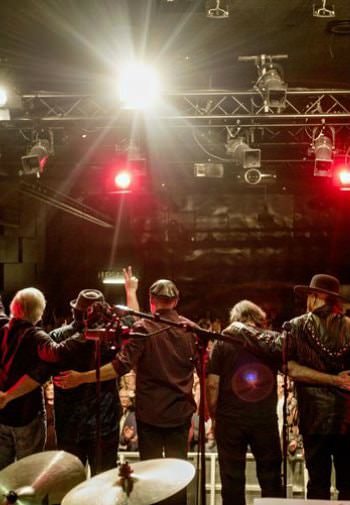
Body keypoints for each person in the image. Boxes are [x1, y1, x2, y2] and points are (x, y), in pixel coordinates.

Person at [54, 279, 198, 505]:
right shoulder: (190, 329)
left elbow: (121, 365)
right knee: (176, 475)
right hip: (179, 414)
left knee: (150, 477)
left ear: (151, 301)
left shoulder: (143, 329)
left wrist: (81, 378)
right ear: (176, 301)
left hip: (149, 414)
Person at [0, 267, 140, 475]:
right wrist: (130, 292)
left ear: (76, 311)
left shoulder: (59, 337)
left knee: (70, 486)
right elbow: (134, 325)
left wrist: (9, 395)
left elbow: (38, 374)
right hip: (102, 423)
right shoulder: (110, 335)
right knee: (103, 485)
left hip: (72, 426)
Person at [223, 275, 350, 501]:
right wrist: (337, 380)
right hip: (347, 417)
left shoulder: (298, 325)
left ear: (316, 297)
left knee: (318, 483)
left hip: (315, 418)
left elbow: (274, 349)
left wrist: (240, 328)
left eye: (311, 295)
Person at [206, 300, 283, 505]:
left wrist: (215, 416)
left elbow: (213, 384)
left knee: (232, 480)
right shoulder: (269, 342)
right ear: (258, 318)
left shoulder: (222, 341)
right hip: (264, 418)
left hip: (230, 419)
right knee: (271, 479)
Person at [0, 288, 53, 469]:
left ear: (13, 307)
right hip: (27, 416)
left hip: (1, 415)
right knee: (27, 475)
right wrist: (8, 396)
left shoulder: (2, 330)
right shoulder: (38, 339)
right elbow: (39, 374)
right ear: (39, 313)